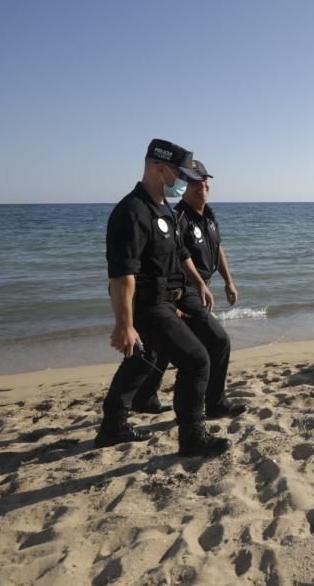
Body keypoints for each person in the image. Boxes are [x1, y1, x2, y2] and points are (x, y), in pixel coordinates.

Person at [97, 139, 230, 458]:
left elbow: (181, 254)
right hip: (147, 304)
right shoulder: (132, 211)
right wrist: (124, 325)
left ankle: (113, 425)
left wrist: (199, 284)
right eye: (179, 175)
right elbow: (121, 276)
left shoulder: (162, 208)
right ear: (159, 168)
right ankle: (192, 436)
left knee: (145, 359)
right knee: (197, 359)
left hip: (167, 301)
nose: (182, 182)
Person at [132, 159, 246, 419]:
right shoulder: (178, 218)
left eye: (204, 179)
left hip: (201, 288)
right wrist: (174, 303)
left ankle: (144, 396)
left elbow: (218, 248)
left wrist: (229, 281)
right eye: (194, 181)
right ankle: (215, 403)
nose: (201, 185)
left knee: (162, 348)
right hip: (184, 292)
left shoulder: (210, 216)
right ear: (184, 186)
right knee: (217, 343)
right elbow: (169, 261)